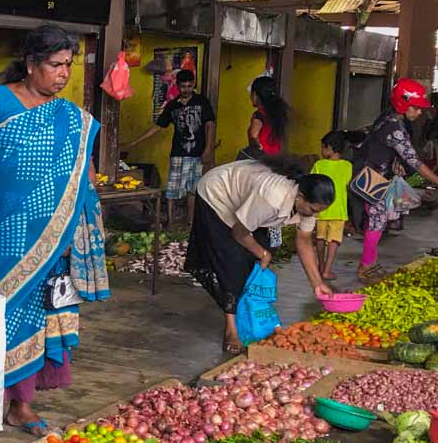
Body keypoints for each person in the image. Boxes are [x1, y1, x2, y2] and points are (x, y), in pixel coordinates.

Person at [0, 25, 109, 435]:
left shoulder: (70, 118)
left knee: (36, 315)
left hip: (49, 238)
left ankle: (21, 404)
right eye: (55, 65)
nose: (64, 74)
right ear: (31, 64)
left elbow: (82, 175)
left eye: (68, 65)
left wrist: (74, 221)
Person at [186, 156, 334, 352]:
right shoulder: (272, 197)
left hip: (248, 204)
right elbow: (239, 232)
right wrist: (261, 252)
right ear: (300, 196)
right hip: (218, 194)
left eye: (319, 212)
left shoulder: (307, 206)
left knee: (255, 262)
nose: (314, 215)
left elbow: (304, 240)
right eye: (313, 210)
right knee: (232, 262)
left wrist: (317, 283)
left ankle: (247, 316)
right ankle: (231, 329)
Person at [353, 79, 438, 282]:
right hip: (373, 179)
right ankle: (365, 266)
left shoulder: (389, 118)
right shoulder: (395, 129)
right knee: (376, 221)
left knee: (377, 220)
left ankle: (369, 262)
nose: (419, 113)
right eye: (416, 108)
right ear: (403, 104)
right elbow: (415, 162)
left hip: (373, 173)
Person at [133, 68, 216, 225]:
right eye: (183, 86)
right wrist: (136, 141)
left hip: (198, 153)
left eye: (190, 86)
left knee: (193, 190)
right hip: (178, 153)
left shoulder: (202, 102)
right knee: (172, 189)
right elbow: (159, 126)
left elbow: (210, 125)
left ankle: (189, 222)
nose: (187, 89)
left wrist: (208, 149)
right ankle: (171, 223)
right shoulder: (172, 105)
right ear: (177, 86)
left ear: (194, 84)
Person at [310, 132, 352, 281]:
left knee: (320, 238)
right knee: (334, 240)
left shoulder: (319, 165)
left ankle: (320, 266)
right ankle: (327, 270)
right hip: (339, 210)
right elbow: (347, 184)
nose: (322, 151)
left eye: (323, 148)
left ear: (330, 148)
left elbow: (312, 184)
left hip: (321, 208)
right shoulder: (347, 166)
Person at [247, 75, 288, 156]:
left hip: (263, 159)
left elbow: (253, 135)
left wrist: (256, 149)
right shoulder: (277, 113)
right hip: (276, 159)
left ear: (255, 95)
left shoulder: (259, 114)